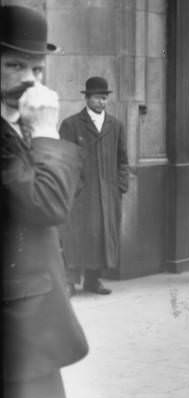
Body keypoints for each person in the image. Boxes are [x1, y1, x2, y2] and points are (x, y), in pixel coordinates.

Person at [2, 4, 90, 398]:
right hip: (20, 319)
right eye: (14, 65)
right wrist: (49, 131)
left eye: (36, 69)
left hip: (25, 311)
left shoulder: (11, 126)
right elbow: (49, 204)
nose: (29, 80)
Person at [59, 76, 129, 296]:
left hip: (108, 193)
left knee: (101, 236)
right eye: (98, 97)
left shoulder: (115, 125)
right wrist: (75, 188)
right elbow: (65, 160)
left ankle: (93, 280)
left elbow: (123, 159)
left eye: (105, 97)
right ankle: (70, 281)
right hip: (81, 194)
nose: (102, 102)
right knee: (75, 236)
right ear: (87, 98)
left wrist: (120, 186)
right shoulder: (71, 124)